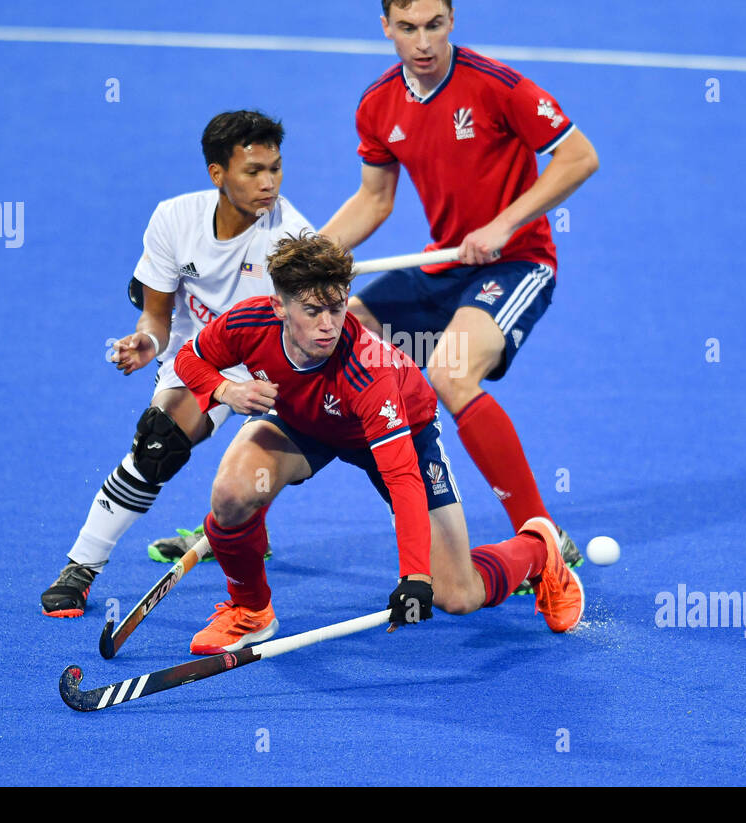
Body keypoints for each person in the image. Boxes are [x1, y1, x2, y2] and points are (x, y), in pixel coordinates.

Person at [320, 0, 600, 593]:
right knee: (329, 335)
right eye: (408, 28)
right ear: (386, 28)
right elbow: (374, 201)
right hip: (442, 263)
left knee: (449, 371)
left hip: (517, 261)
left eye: (435, 26)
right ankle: (247, 510)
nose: (423, 43)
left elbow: (581, 156)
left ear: (452, 21)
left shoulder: (497, 86)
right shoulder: (377, 104)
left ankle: (541, 532)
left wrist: (503, 225)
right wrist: (308, 260)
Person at [171, 233, 584, 652]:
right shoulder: (249, 323)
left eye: (336, 308)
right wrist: (224, 389)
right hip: (304, 423)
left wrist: (415, 577)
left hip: (401, 431)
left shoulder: (369, 369)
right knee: (233, 493)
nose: (327, 325)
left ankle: (538, 548)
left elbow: (402, 477)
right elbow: (190, 357)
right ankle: (250, 610)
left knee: (458, 596)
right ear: (279, 306)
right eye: (312, 311)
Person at [40, 111, 311, 617]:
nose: (268, 183)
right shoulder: (174, 219)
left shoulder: (290, 239)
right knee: (158, 442)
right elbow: (157, 317)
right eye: (253, 171)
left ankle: (248, 524)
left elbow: (309, 336)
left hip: (273, 362)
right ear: (217, 174)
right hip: (201, 356)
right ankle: (82, 564)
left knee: (275, 467)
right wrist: (146, 341)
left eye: (275, 168)